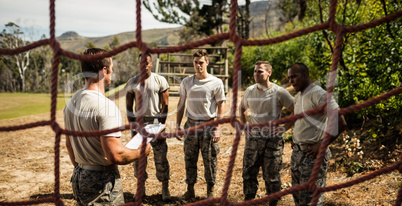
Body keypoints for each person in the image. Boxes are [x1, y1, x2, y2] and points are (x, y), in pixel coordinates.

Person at [64, 48, 151, 206]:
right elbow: (115, 155)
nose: (112, 71)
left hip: (79, 176)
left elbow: (69, 144)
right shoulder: (106, 106)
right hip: (101, 184)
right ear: (104, 71)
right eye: (112, 67)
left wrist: (82, 168)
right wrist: (141, 151)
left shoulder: (72, 102)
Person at [287, 63, 347, 206]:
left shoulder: (318, 94)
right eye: (289, 78)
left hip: (312, 157)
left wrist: (322, 144)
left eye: (294, 76)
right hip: (298, 155)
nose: (291, 81)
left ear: (305, 75)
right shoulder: (299, 96)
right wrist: (296, 139)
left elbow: (340, 120)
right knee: (299, 199)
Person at [239, 61, 294, 205]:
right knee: (248, 172)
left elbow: (296, 111)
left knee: (272, 176)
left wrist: (284, 128)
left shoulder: (279, 92)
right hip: (253, 139)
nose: (256, 74)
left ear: (269, 73)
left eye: (260, 71)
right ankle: (249, 199)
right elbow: (242, 108)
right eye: (255, 71)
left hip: (272, 140)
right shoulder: (250, 91)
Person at [176, 49, 226, 199]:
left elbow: (221, 105)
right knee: (189, 158)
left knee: (210, 160)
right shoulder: (187, 82)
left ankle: (210, 192)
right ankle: (190, 190)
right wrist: (178, 126)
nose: (198, 66)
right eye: (196, 63)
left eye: (201, 62)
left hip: (208, 125)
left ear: (207, 63)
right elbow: (181, 104)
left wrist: (218, 128)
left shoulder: (216, 82)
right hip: (191, 125)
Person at [124, 53, 171, 201]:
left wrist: (161, 126)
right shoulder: (132, 82)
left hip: (156, 122)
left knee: (161, 156)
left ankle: (165, 188)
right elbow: (128, 107)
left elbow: (165, 105)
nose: (144, 66)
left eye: (147, 63)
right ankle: (141, 188)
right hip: (139, 123)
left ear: (151, 63)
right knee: (138, 157)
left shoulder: (160, 80)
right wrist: (134, 127)